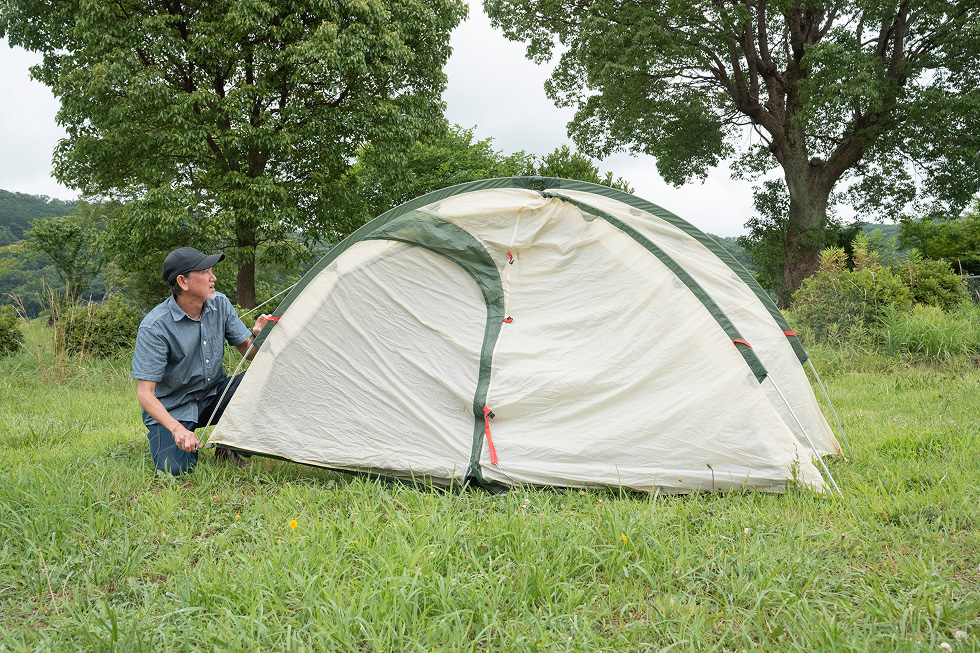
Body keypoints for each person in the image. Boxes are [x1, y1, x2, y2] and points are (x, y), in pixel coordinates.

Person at [132, 246, 271, 476]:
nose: (213, 278)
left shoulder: (221, 304)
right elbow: (145, 394)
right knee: (174, 469)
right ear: (183, 282)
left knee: (263, 378)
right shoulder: (154, 326)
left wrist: (259, 336)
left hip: (213, 396)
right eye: (206, 272)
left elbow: (249, 353)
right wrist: (177, 430)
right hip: (174, 409)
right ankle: (179, 438)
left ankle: (229, 447)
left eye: (212, 271)